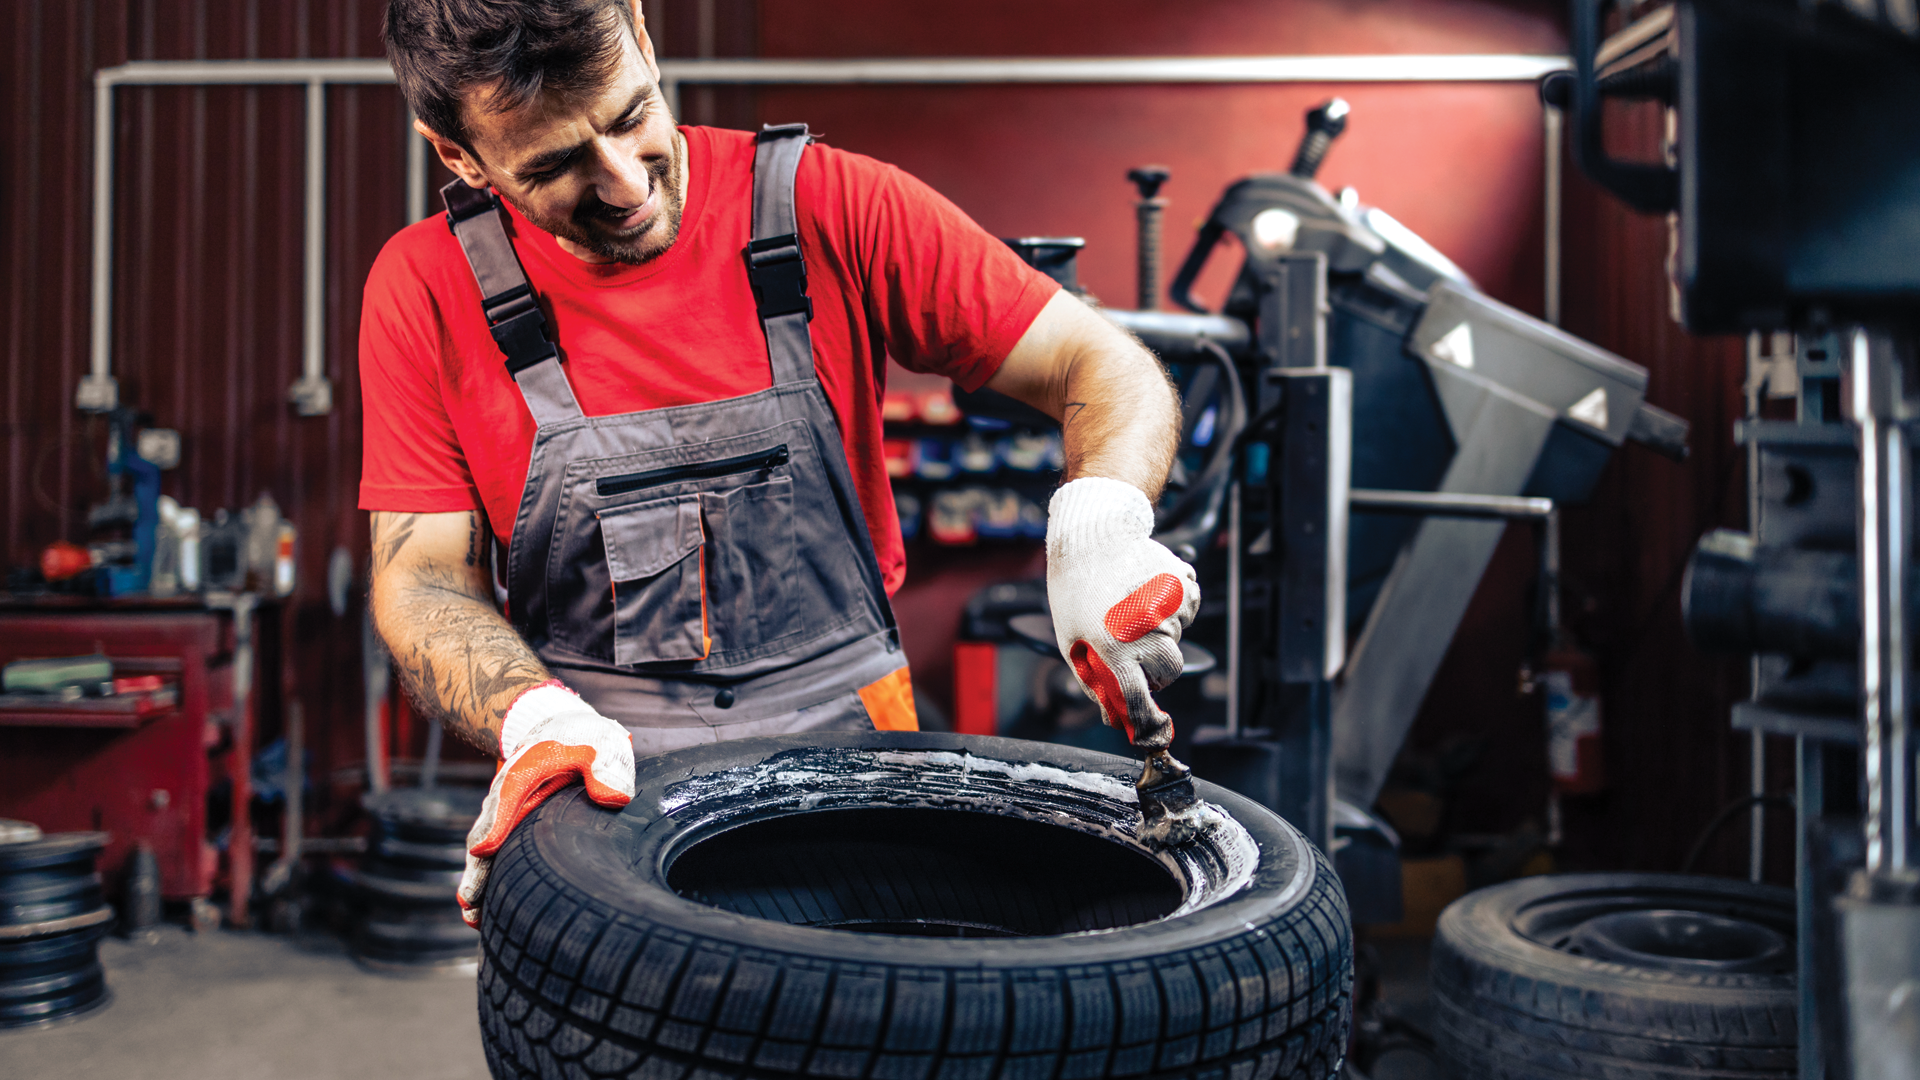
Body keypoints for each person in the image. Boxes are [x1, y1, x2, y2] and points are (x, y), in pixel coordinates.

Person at [362, 0, 1200, 928]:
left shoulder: (828, 203)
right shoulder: (426, 287)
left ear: (642, 31)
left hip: (862, 750)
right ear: (458, 155)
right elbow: (424, 577)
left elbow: (1102, 361)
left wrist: (1098, 527)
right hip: (595, 773)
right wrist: (533, 721)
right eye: (555, 165)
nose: (623, 182)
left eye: (632, 115)